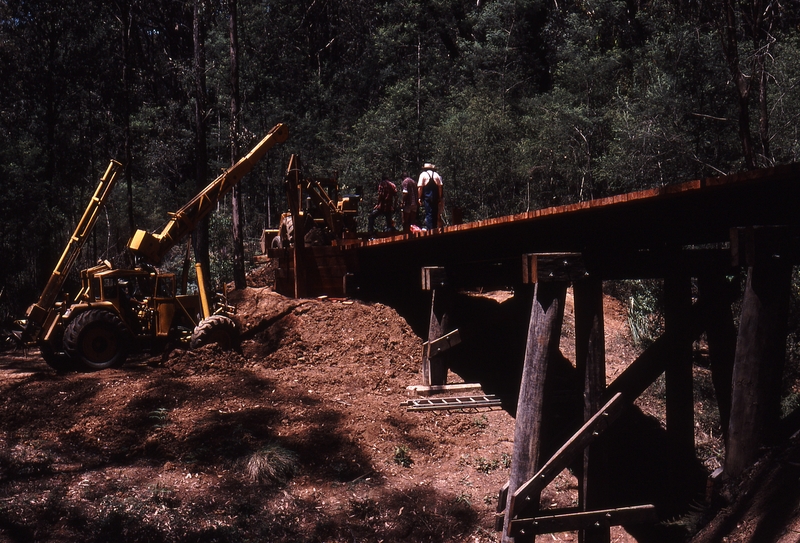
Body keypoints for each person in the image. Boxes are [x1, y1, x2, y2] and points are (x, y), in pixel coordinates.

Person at [417, 163, 443, 231]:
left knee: (429, 213)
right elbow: (440, 187)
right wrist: (440, 197)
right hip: (435, 197)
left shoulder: (423, 175)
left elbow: (420, 187)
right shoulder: (436, 175)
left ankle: (430, 230)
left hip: (427, 197)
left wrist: (419, 197)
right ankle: (434, 228)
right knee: (435, 213)